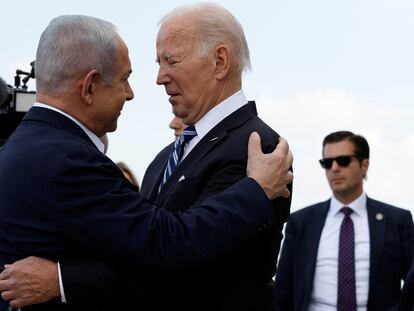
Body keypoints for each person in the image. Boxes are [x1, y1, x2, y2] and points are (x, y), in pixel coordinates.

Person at [0, 4, 293, 311]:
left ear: (219, 62)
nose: (158, 78)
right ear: (88, 86)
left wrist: (61, 280)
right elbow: (151, 249)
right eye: (158, 62)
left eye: (172, 60)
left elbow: (179, 262)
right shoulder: (158, 160)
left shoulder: (258, 151)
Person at [273, 131, 414, 311]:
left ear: (364, 165)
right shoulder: (301, 223)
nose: (334, 168)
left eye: (343, 160)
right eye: (327, 163)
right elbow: (282, 292)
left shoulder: (397, 221)